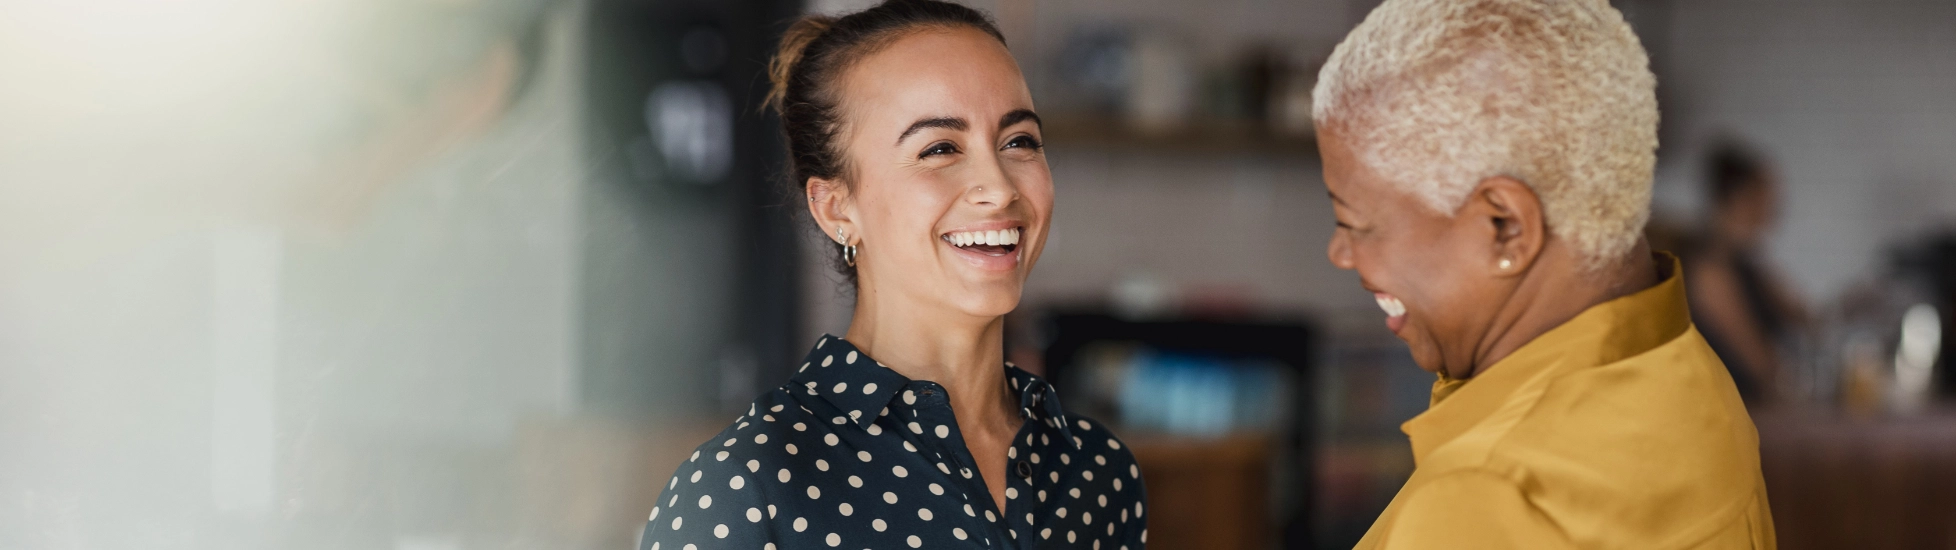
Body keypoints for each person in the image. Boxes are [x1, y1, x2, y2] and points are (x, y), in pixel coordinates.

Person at [637, 1, 1147, 548]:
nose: (999, 187)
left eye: (1018, 141)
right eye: (940, 148)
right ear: (836, 209)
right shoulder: (746, 487)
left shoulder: (1098, 472)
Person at [1312, 0, 1775, 547]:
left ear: (1506, 227)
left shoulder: (1486, 499)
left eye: (1355, 223)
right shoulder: (1693, 379)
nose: (1339, 253)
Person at [1687, 140, 1807, 403]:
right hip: (1730, 414)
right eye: (1766, 194)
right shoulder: (1712, 272)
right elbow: (1760, 363)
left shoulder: (1750, 264)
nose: (1775, 206)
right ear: (1740, 197)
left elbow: (1805, 319)